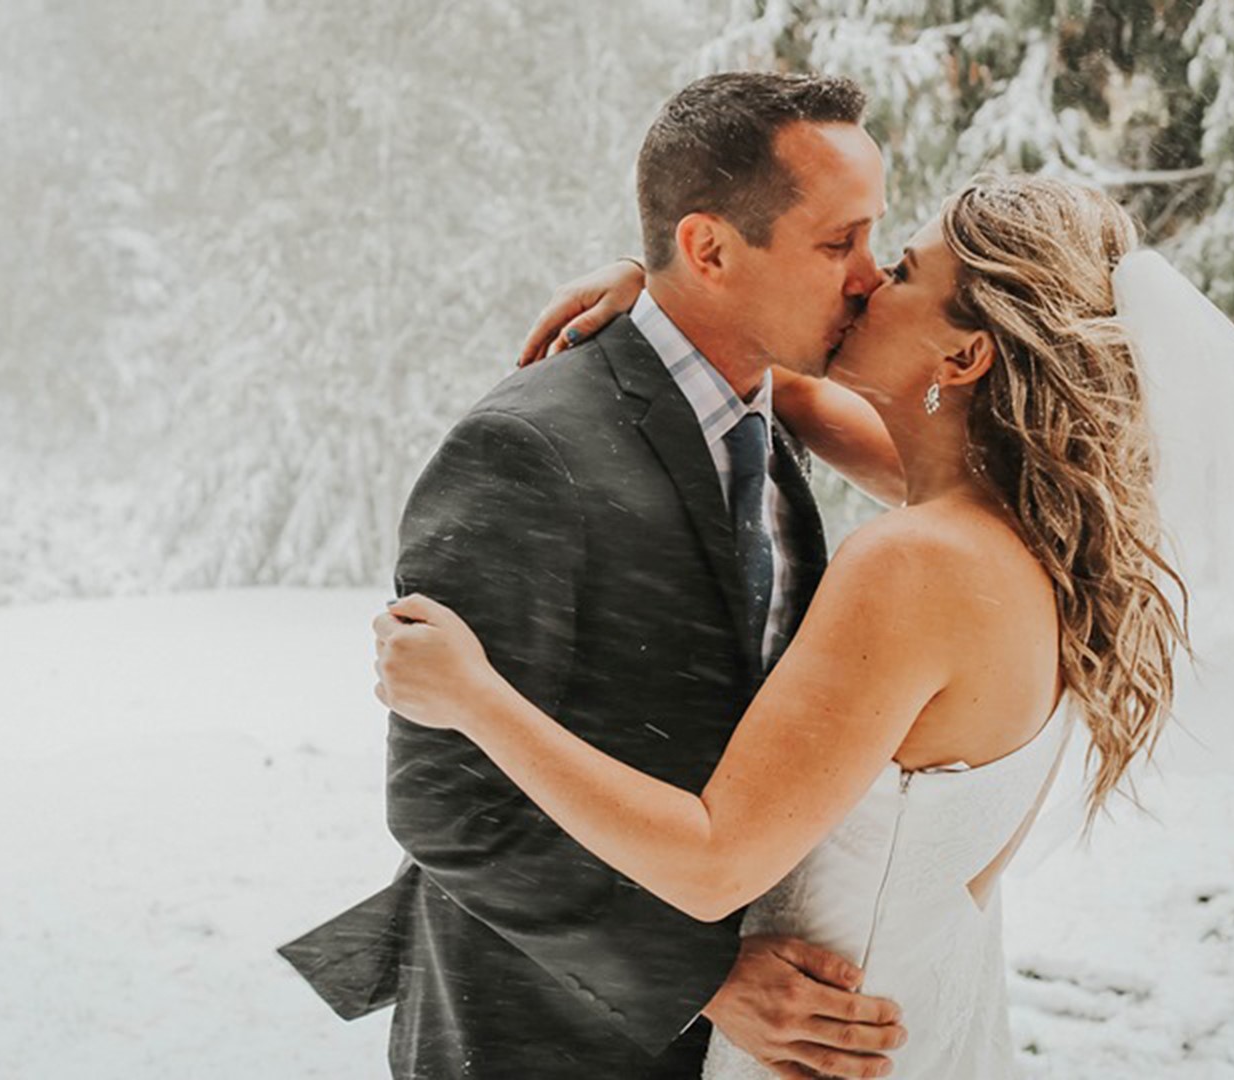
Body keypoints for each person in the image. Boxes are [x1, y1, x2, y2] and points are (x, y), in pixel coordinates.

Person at [372, 173, 1234, 1078]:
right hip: (928, 1010)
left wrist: (474, 698)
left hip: (817, 1038)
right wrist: (678, 289)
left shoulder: (916, 565)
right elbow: (801, 395)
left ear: (967, 350)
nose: (863, 282)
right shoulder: (1043, 531)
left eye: (900, 269)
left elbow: (718, 858)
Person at [279, 72, 911, 1079]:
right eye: (839, 243)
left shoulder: (767, 417)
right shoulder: (526, 449)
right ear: (707, 247)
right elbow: (447, 804)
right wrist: (700, 977)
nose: (870, 277)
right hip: (538, 1037)